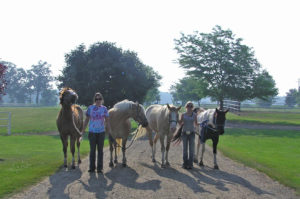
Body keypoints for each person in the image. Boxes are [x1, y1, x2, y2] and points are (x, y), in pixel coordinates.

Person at [82, 92, 111, 173]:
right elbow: (86, 120)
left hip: (101, 132)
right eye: (96, 99)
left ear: (102, 99)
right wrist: (83, 131)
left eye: (99, 99)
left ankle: (99, 168)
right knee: (92, 150)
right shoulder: (90, 108)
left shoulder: (104, 109)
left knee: (100, 151)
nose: (98, 100)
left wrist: (109, 132)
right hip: (92, 132)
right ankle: (92, 167)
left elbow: (107, 121)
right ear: (94, 100)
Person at [178, 101, 197, 169]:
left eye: (191, 106)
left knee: (191, 150)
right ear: (186, 107)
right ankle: (185, 163)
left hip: (192, 133)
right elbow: (180, 123)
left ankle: (190, 164)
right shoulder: (183, 114)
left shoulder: (194, 115)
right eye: (188, 106)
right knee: (185, 149)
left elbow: (196, 123)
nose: (189, 108)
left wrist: (202, 124)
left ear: (192, 107)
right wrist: (178, 120)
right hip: (184, 133)